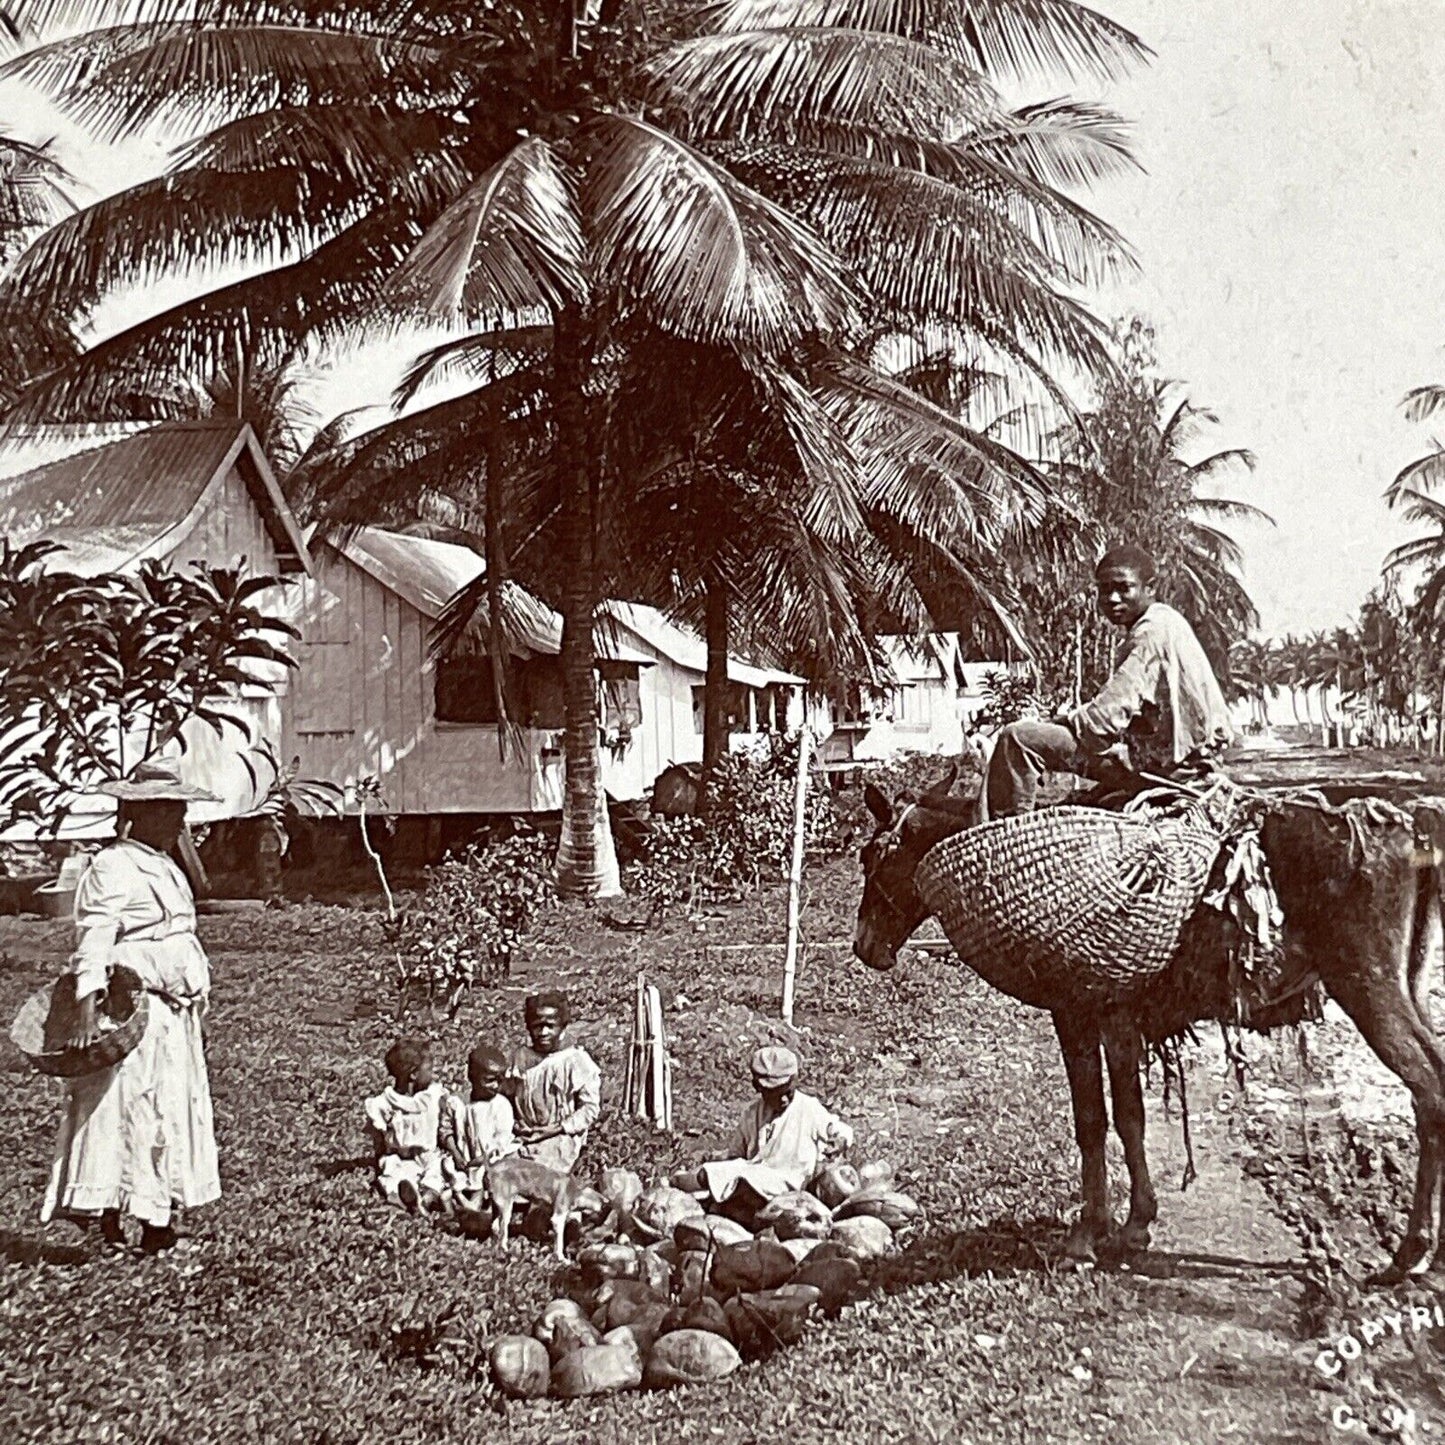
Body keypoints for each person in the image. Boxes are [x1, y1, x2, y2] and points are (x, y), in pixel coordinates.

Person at [41, 757, 222, 1255]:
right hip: (133, 1006)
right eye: (167, 811)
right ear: (138, 812)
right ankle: (113, 1214)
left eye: (180, 810)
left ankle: (158, 1214)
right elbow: (95, 936)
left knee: (167, 1110)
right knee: (129, 1108)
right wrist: (86, 1004)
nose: (178, 821)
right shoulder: (113, 865)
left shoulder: (164, 864)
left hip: (171, 1008)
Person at [985, 544, 1235, 819]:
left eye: (1123, 588)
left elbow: (1102, 722)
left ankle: (1004, 831)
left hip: (1172, 774)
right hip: (1181, 764)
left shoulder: (1150, 633)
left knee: (1018, 738)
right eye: (1104, 590)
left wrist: (1059, 723)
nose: (1112, 598)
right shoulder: (1166, 622)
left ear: (1150, 588)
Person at [672, 1045, 854, 1211]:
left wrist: (839, 1141)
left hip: (789, 1182)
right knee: (710, 1173)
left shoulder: (808, 1107)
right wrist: (720, 1162)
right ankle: (676, 1183)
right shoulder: (752, 1114)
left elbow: (838, 1128)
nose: (783, 1100)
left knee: (744, 1185)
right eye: (775, 1095)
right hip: (753, 1171)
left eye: (787, 1093)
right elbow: (737, 1154)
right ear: (759, 1089)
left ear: (795, 1082)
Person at [506, 990, 601, 1175]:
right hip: (524, 1133)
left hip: (559, 1136)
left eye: (550, 1026)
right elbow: (509, 1094)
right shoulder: (521, 1057)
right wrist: (515, 1122)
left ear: (563, 1027)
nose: (543, 1032)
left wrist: (556, 1129)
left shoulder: (574, 1060)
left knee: (541, 1176)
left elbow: (590, 1109)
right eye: (537, 1026)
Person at [364, 1037, 447, 1213]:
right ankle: (403, 1198)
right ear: (414, 1075)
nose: (433, 1075)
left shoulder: (431, 1097)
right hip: (398, 1157)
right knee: (392, 1172)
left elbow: (445, 1124)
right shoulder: (382, 1104)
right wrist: (379, 1159)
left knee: (436, 1168)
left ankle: (425, 1198)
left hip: (426, 1155)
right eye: (430, 1070)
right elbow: (378, 1140)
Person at [440, 1042, 520, 1206]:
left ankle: (477, 1206)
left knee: (491, 1176)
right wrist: (455, 1153)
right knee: (445, 1170)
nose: (496, 1086)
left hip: (489, 1159)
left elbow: (501, 1140)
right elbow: (445, 1130)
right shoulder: (457, 1102)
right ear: (472, 1076)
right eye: (489, 1081)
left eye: (500, 1080)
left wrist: (482, 1158)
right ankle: (447, 1201)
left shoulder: (500, 1105)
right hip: (463, 1158)